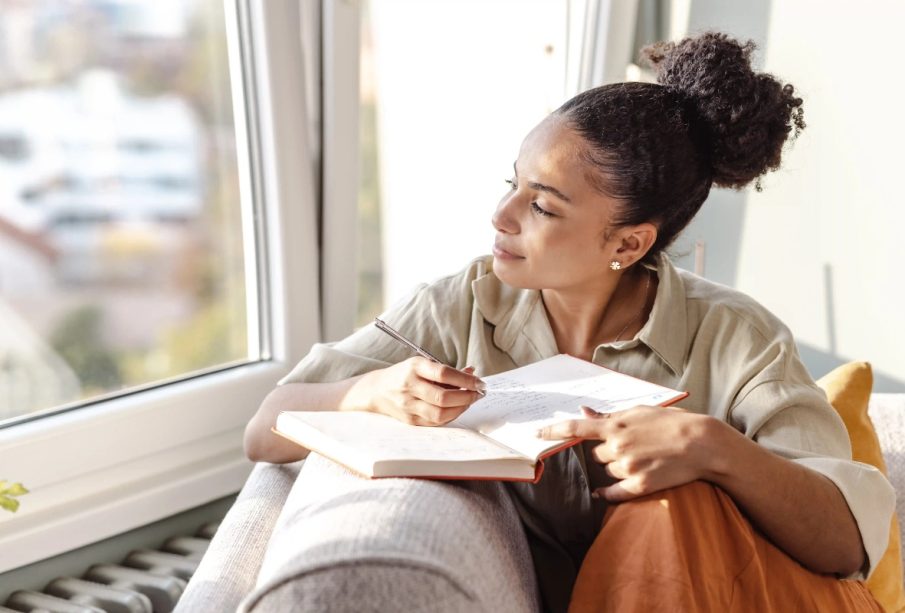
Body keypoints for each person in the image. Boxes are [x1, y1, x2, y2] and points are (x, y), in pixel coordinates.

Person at [244, 32, 894, 612]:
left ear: (627, 244)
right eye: (512, 183)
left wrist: (712, 449)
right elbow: (265, 427)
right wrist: (366, 393)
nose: (501, 215)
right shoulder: (461, 305)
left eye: (542, 206)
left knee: (672, 503)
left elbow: (843, 541)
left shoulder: (733, 335)